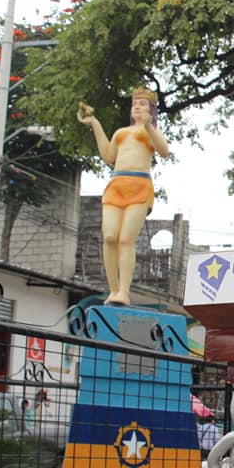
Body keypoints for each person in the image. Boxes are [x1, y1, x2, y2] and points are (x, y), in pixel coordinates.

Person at [77, 87, 170, 305]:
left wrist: (149, 126)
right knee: (110, 237)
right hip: (117, 184)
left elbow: (164, 150)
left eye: (143, 104)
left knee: (126, 239)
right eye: (135, 103)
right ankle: (113, 289)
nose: (137, 107)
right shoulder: (121, 133)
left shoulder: (150, 132)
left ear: (152, 109)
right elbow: (108, 156)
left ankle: (124, 292)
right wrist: (95, 124)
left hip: (139, 185)